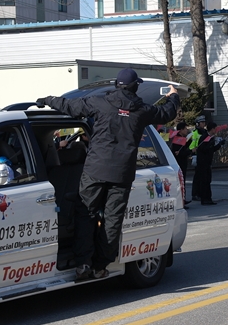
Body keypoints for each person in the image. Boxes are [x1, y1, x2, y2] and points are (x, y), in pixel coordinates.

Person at [35, 68, 180, 279]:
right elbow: (167, 113)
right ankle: (100, 266)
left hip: (95, 170)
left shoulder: (100, 103)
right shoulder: (142, 110)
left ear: (116, 85)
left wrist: (48, 100)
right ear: (135, 86)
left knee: (85, 213)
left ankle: (83, 263)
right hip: (122, 173)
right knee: (113, 219)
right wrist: (173, 96)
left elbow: (70, 106)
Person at [194, 122, 226, 205]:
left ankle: (208, 198)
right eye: (215, 129)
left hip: (208, 162)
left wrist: (219, 145)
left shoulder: (211, 138)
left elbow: (211, 150)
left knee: (208, 180)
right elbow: (203, 148)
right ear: (212, 129)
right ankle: (204, 199)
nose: (216, 130)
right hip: (203, 162)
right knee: (204, 180)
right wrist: (210, 145)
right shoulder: (205, 137)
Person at [169, 122, 191, 202]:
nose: (186, 130)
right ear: (181, 130)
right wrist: (190, 151)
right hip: (180, 163)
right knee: (180, 182)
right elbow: (179, 153)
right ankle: (181, 200)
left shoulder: (183, 138)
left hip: (183, 162)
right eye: (185, 129)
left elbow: (184, 147)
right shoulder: (177, 139)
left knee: (183, 181)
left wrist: (189, 141)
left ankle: (183, 199)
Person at [189, 115, 208, 201]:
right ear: (197, 124)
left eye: (204, 122)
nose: (203, 124)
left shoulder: (205, 132)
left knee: (203, 177)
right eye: (202, 122)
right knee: (197, 176)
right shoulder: (194, 133)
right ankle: (195, 194)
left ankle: (201, 193)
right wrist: (193, 150)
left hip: (204, 155)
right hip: (197, 155)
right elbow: (191, 145)